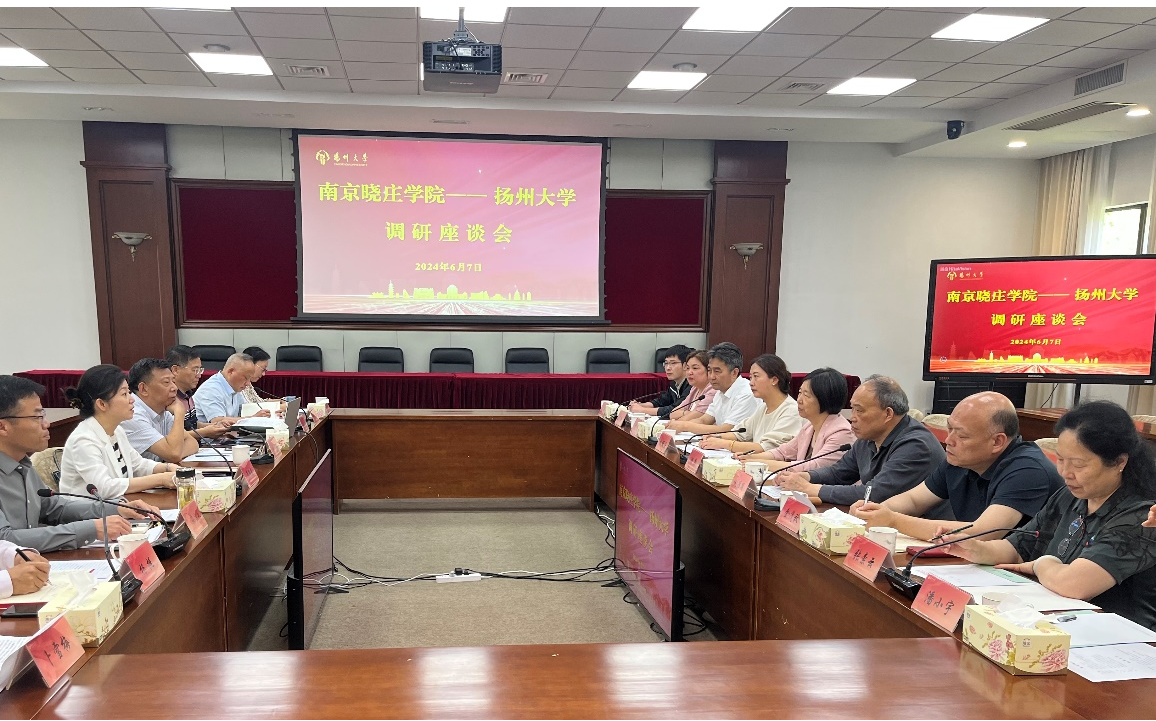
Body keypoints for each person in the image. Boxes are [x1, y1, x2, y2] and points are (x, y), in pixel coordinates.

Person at [940, 401, 1156, 630]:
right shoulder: (1070, 496)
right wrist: (976, 549)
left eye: (1078, 465)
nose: (1065, 473)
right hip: (1053, 623)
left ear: (1119, 462)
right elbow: (1017, 548)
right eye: (1060, 460)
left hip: (1117, 636)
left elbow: (1074, 584)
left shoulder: (1142, 514)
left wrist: (1041, 564)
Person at [852, 392, 1064, 541]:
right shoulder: (959, 460)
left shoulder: (1028, 470)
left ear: (997, 441)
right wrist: (873, 511)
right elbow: (913, 500)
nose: (949, 440)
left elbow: (983, 533)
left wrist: (893, 521)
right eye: (949, 429)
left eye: (961, 435)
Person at [0, 375, 155, 552]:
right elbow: (5, 540)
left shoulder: (22, 464)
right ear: (3, 427)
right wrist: (91, 529)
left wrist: (117, 508)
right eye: (37, 417)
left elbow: (54, 508)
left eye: (44, 415)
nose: (46, 424)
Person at [778, 375, 948, 510]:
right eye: (852, 408)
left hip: (927, 531)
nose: (852, 417)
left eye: (859, 410)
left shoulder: (916, 445)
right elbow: (840, 472)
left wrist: (810, 488)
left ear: (888, 414)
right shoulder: (869, 436)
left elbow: (874, 494)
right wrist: (807, 476)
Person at [60, 365, 181, 498]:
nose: (132, 399)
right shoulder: (83, 440)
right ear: (102, 404)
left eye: (129, 392)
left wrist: (168, 468)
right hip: (88, 509)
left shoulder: (117, 430)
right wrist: (161, 479)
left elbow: (138, 465)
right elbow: (104, 488)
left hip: (119, 504)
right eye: (124, 394)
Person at [743, 367, 854, 472]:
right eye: (800, 393)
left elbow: (813, 466)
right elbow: (783, 452)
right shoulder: (809, 427)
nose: (799, 400)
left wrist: (759, 463)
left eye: (806, 395)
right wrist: (749, 457)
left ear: (825, 398)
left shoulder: (842, 433)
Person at [122, 358, 226, 463]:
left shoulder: (162, 410)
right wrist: (179, 413)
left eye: (173, 381)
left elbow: (192, 443)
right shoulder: (133, 415)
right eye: (166, 382)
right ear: (143, 389)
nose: (175, 388)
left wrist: (168, 457)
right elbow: (174, 454)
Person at [699, 354, 802, 454]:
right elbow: (740, 433)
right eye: (751, 377)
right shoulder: (763, 407)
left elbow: (767, 448)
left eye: (756, 376)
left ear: (774, 380)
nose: (751, 382)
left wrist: (724, 444)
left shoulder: (791, 411)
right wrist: (717, 437)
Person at [665, 343, 759, 435]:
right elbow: (704, 420)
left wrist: (685, 426)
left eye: (717, 371)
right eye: (709, 370)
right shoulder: (720, 391)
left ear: (734, 372)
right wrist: (678, 425)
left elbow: (727, 430)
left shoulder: (746, 394)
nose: (711, 376)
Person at [166, 345, 234, 434]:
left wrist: (216, 426)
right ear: (175, 370)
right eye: (195, 370)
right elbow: (174, 436)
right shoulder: (168, 398)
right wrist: (205, 432)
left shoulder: (187, 394)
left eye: (200, 370)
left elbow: (193, 425)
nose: (199, 375)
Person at [193, 353, 269, 425]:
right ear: (231, 371)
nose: (248, 383)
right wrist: (253, 418)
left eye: (250, 379)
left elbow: (244, 409)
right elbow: (218, 421)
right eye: (246, 378)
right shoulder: (211, 389)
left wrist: (266, 413)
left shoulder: (234, 386)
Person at [630, 345, 693, 417]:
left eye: (673, 363)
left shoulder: (691, 385)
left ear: (685, 365)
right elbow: (663, 401)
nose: (668, 368)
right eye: (666, 363)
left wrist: (642, 410)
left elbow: (675, 410)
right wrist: (641, 405)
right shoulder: (674, 383)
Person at [667, 350, 717, 421]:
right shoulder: (695, 388)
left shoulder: (713, 390)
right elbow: (672, 414)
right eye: (687, 368)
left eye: (695, 368)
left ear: (708, 370)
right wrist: (688, 413)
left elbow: (686, 420)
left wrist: (685, 414)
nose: (689, 372)